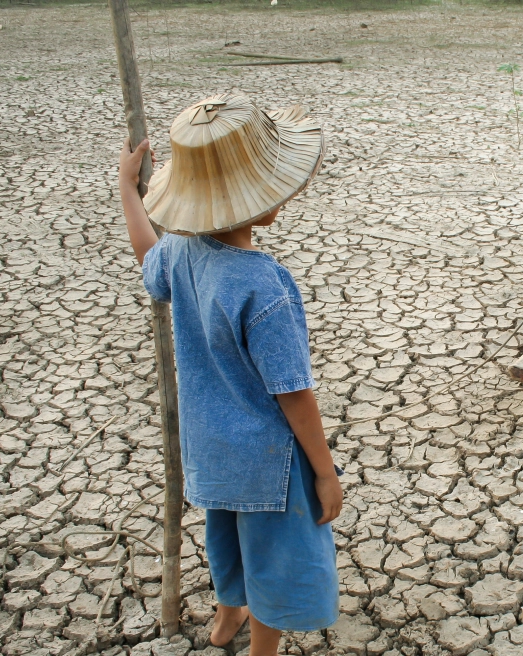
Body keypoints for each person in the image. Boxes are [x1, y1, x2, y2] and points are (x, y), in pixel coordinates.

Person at [116, 93, 341, 656]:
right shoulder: (264, 285)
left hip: (209, 448)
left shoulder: (182, 251)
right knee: (272, 560)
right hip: (268, 460)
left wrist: (127, 191)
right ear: (259, 195)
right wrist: (325, 471)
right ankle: (261, 648)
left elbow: (150, 260)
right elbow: (292, 391)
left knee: (228, 541)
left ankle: (224, 619)